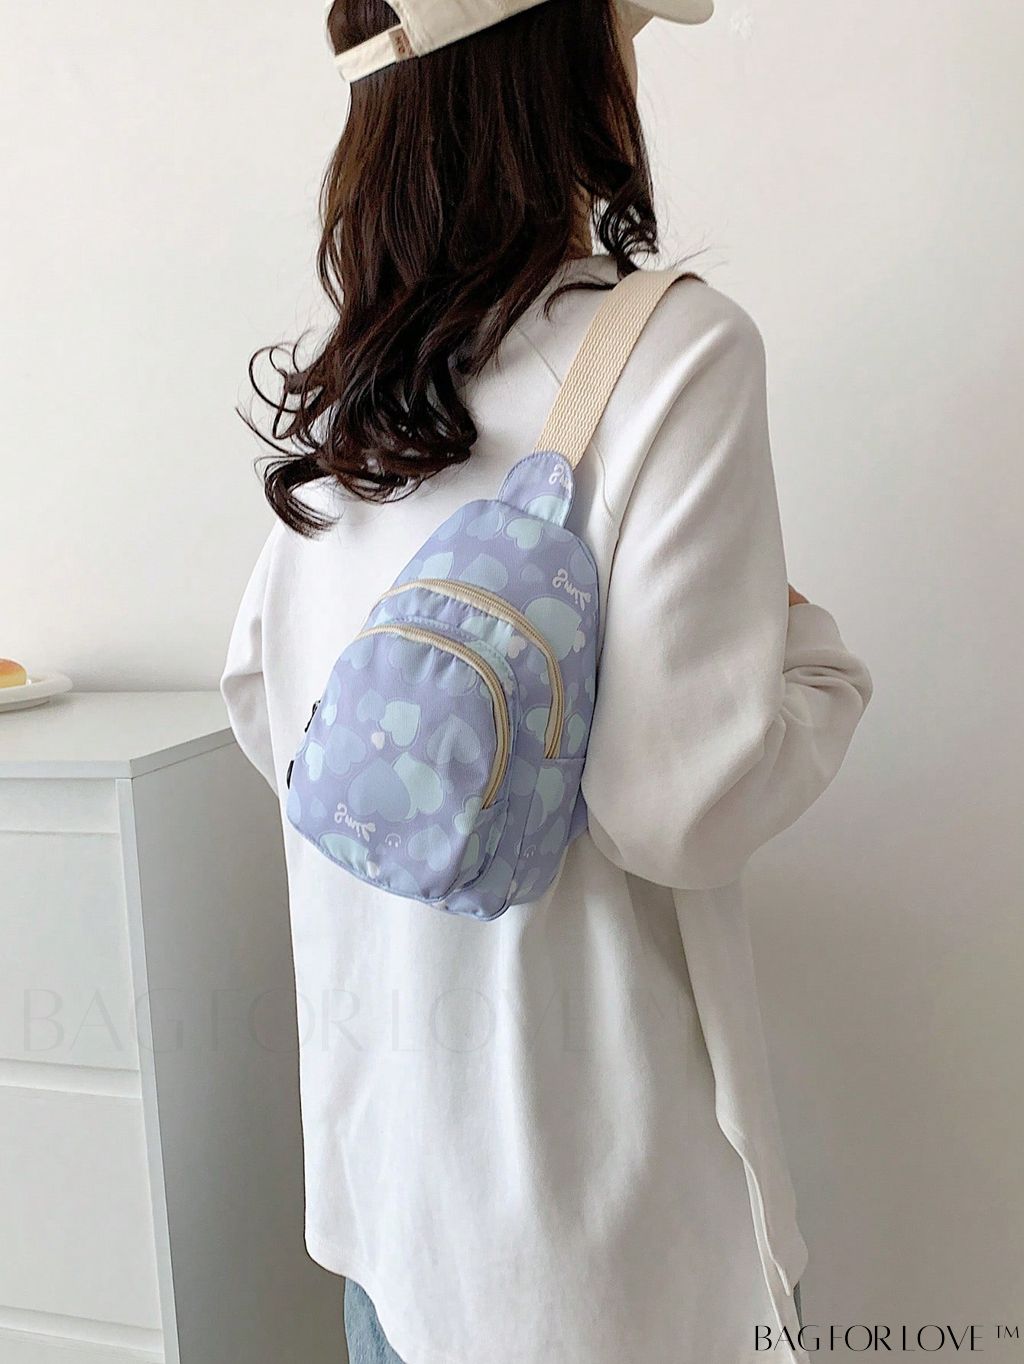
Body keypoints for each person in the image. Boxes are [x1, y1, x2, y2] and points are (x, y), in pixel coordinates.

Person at [220, 0, 873, 1360]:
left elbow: (265, 712)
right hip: (599, 1246)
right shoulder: (677, 352)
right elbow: (679, 812)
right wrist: (817, 664)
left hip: (388, 1212)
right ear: (562, 62)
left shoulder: (354, 393)